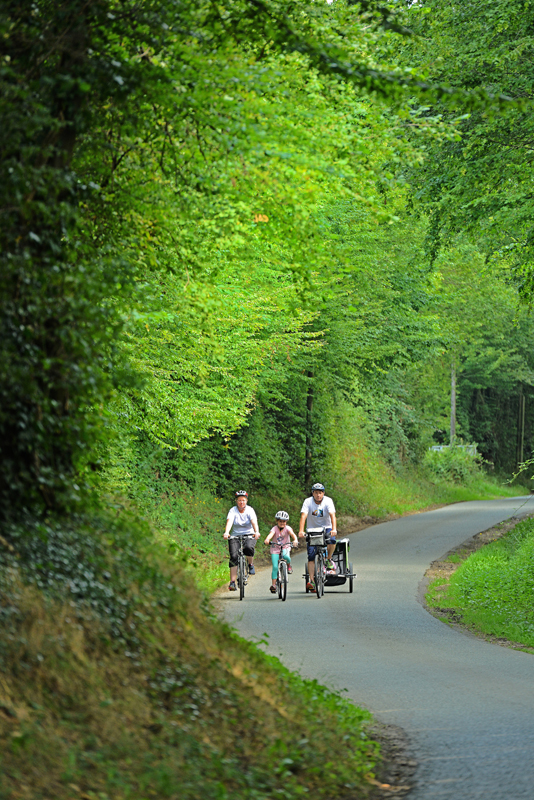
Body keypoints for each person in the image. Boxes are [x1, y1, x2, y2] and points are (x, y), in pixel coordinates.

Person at [298, 482, 337, 592]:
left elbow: (332, 515)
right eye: (316, 493)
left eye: (320, 493)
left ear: (323, 493)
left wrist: (334, 529)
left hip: (327, 528)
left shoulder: (328, 501)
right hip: (312, 530)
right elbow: (303, 516)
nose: (318, 495)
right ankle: (312, 581)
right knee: (311, 556)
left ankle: (328, 559)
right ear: (313, 493)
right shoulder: (307, 502)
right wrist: (301, 531)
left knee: (332, 541)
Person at [224, 490, 260, 591]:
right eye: (239, 500)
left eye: (243, 500)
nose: (241, 502)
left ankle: (250, 564)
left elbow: (254, 522)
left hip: (249, 534)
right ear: (236, 501)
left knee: (248, 547)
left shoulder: (250, 510)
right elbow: (229, 521)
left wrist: (256, 532)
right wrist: (227, 532)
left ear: (246, 501)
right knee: (234, 557)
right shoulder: (233, 510)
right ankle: (232, 582)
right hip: (235, 535)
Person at [264, 511, 299, 594]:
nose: (282, 523)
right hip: (275, 548)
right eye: (280, 521)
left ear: (286, 522)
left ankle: (288, 565)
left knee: (286, 557)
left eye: (284, 521)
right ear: (277, 521)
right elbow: (270, 535)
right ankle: (274, 585)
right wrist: (267, 539)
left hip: (285, 547)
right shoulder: (274, 529)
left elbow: (293, 534)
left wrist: (295, 540)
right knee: (275, 567)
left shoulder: (288, 528)